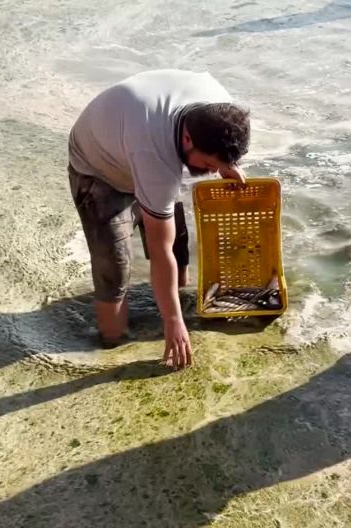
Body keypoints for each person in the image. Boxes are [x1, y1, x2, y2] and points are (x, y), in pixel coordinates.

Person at [68, 69, 250, 370]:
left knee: (179, 251)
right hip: (98, 168)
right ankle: (111, 346)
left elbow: (214, 149)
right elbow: (158, 249)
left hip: (134, 137)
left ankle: (173, 301)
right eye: (207, 164)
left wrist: (224, 165)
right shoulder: (156, 155)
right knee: (114, 269)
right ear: (188, 138)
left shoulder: (220, 108)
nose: (209, 170)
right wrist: (173, 322)